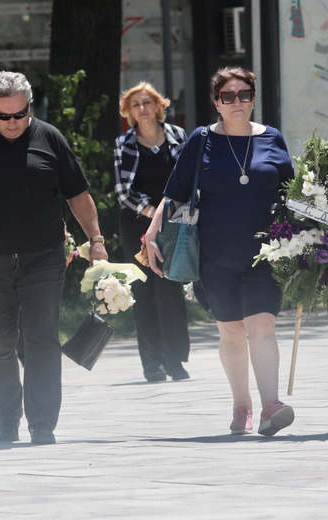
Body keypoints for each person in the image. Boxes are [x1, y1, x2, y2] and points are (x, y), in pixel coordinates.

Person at [0, 71, 109, 445]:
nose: (12, 123)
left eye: (20, 115)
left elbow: (78, 194)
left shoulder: (50, 138)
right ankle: (6, 418)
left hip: (44, 257)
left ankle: (42, 422)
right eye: (3, 116)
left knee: (41, 339)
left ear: (29, 107)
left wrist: (96, 240)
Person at [144, 66, 296, 436]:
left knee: (262, 323)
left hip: (265, 254)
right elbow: (175, 191)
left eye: (244, 94)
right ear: (216, 102)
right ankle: (241, 404)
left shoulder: (272, 139)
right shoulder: (201, 140)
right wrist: (151, 233)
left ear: (253, 98)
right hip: (215, 254)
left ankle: (270, 405)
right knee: (230, 330)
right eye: (228, 96)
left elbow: (294, 194)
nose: (237, 102)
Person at [112, 82, 192, 383]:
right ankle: (152, 364)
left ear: (159, 105)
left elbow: (189, 179)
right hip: (137, 224)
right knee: (143, 291)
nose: (142, 108)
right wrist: (153, 215)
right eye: (135, 105)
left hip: (174, 223)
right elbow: (123, 193)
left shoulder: (178, 137)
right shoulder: (123, 144)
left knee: (171, 289)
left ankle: (176, 360)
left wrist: (168, 214)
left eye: (147, 102)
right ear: (128, 112)